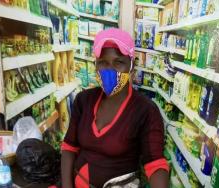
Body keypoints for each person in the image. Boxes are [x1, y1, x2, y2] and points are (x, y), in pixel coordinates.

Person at [61, 28, 169, 188]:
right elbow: (69, 147)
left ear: (131, 66)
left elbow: (155, 164)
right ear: (95, 65)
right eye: (103, 62)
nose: (109, 70)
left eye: (118, 62)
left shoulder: (145, 110)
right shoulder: (84, 100)